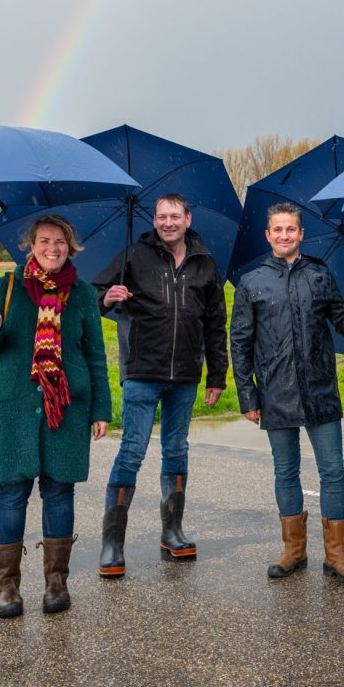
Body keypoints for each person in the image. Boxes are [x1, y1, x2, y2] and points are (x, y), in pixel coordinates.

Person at [230, 202, 344, 584]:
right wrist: (248, 396)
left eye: (291, 229)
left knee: (333, 471)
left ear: (301, 234)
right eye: (277, 230)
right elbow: (240, 342)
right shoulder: (252, 281)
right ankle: (293, 550)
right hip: (275, 392)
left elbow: (343, 323)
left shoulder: (319, 274)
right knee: (285, 471)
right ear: (268, 235)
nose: (284, 235)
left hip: (320, 389)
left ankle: (337, 556)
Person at [0, 214, 112, 618]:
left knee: (58, 493)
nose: (52, 249)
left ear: (71, 247)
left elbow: (95, 357)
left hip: (67, 407)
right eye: (44, 241)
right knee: (11, 495)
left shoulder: (84, 295)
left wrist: (102, 408)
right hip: (13, 408)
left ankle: (56, 586)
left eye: (60, 242)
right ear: (30, 245)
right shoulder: (3, 288)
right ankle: (7, 591)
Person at [90, 194, 228, 578]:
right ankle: (112, 543)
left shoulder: (205, 264)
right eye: (162, 217)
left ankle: (172, 532)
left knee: (176, 450)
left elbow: (216, 324)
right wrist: (106, 298)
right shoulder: (134, 256)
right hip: (141, 372)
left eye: (175, 216)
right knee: (131, 452)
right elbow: (90, 296)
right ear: (154, 220)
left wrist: (217, 375)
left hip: (185, 375)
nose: (168, 223)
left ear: (188, 217)